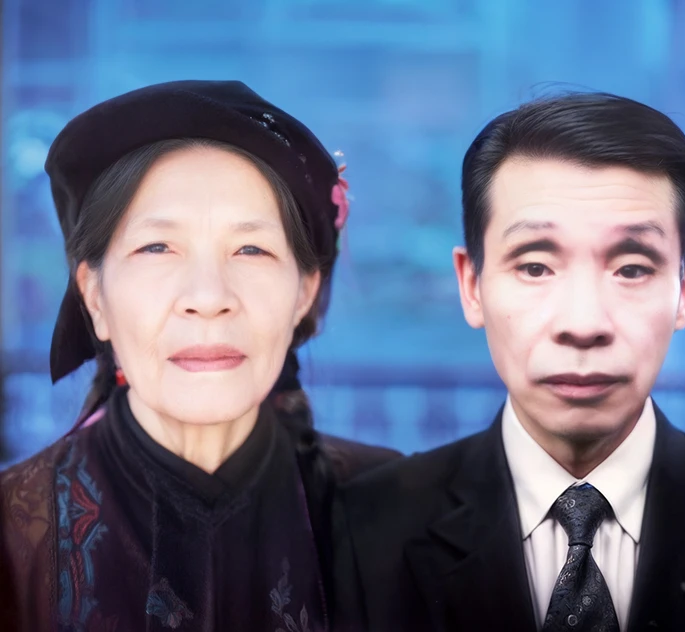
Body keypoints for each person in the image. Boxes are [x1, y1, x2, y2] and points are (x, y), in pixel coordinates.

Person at [337, 93, 685, 632]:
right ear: (471, 285)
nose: (583, 324)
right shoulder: (361, 528)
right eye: (535, 266)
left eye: (632, 268)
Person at [0, 80, 399, 631]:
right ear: (95, 296)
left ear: (304, 293)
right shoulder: (12, 533)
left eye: (251, 248)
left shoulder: (399, 516)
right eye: (157, 247)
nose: (209, 299)